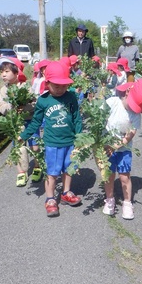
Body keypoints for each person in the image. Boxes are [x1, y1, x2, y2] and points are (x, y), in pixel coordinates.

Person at [18, 61, 83, 217]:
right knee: (52, 173)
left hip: (70, 142)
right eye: (56, 85)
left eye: (63, 85)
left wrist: (80, 139)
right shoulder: (43, 100)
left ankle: (66, 193)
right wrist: (24, 136)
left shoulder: (71, 97)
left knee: (69, 169)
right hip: (52, 144)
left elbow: (77, 118)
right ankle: (50, 199)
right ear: (47, 83)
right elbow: (35, 122)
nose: (60, 88)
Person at [102, 78, 142, 219]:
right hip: (107, 148)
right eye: (132, 105)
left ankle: (127, 203)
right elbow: (99, 117)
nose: (133, 109)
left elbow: (131, 133)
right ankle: (110, 199)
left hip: (124, 149)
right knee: (108, 176)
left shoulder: (135, 115)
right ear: (127, 92)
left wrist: (117, 145)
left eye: (137, 107)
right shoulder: (112, 103)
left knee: (125, 177)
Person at [0, 57, 42, 187]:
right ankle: (21, 172)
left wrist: (26, 107)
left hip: (30, 121)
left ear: (17, 73)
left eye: (6, 71)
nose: (3, 74)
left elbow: (35, 103)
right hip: (16, 124)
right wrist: (10, 108)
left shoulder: (26, 87)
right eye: (2, 72)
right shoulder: (4, 90)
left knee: (35, 146)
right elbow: (1, 105)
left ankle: (37, 167)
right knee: (19, 148)